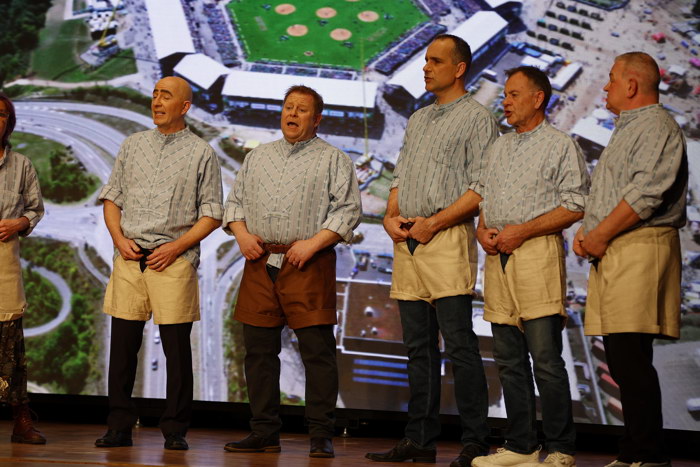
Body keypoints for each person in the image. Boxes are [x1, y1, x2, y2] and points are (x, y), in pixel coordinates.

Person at [365, 34, 496, 466]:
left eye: (436, 61)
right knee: (418, 348)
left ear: (459, 69)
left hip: (447, 237)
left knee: (460, 346)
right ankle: (419, 440)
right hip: (408, 239)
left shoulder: (478, 118)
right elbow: (400, 177)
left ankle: (475, 442)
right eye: (426, 60)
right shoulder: (418, 118)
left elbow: (481, 187)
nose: (426, 67)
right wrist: (390, 216)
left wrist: (434, 223)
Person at [222, 85, 361, 459]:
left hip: (308, 263)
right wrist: (242, 235)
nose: (292, 114)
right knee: (258, 353)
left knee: (317, 354)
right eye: (288, 107)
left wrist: (312, 244)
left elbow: (348, 211)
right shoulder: (258, 157)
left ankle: (321, 435)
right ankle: (264, 432)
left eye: (302, 109)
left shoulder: (334, 159)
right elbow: (234, 204)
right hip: (259, 262)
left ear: (317, 119)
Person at [95, 77, 223, 450]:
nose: (157, 101)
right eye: (154, 95)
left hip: (175, 260)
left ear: (184, 107)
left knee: (177, 353)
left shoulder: (202, 153)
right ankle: (119, 427)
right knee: (122, 351)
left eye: (166, 96)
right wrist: (119, 239)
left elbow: (212, 214)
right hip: (129, 257)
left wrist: (175, 248)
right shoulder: (132, 145)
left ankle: (175, 430)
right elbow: (112, 198)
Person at [472, 67, 589, 467]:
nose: (505, 101)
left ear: (538, 98)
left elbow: (575, 204)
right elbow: (485, 201)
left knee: (546, 360)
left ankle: (561, 448)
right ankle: (521, 446)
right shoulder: (498, 147)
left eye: (513, 94)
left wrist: (522, 231)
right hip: (497, 260)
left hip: (538, 256)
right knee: (508, 360)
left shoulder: (561, 145)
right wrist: (482, 230)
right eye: (505, 94)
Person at [574, 52, 687, 467]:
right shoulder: (631, 127)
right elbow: (615, 193)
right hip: (617, 249)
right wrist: (588, 231)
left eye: (611, 79)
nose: (605, 86)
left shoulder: (656, 125)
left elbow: (645, 194)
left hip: (638, 248)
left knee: (630, 359)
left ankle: (649, 455)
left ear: (632, 85)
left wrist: (598, 234)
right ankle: (633, 452)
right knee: (624, 360)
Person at [0, 93, 46, 445]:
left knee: (11, 343)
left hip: (5, 261)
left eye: (2, 114)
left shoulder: (21, 165)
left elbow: (35, 209)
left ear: (9, 123)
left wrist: (19, 223)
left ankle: (21, 419)